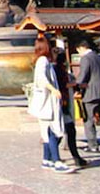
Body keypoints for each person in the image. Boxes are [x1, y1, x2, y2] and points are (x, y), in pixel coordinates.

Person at [31, 33, 75, 174]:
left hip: (45, 102)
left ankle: (47, 159)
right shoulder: (43, 60)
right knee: (52, 131)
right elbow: (42, 79)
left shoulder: (41, 60)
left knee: (47, 131)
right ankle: (56, 161)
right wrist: (54, 89)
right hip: (47, 102)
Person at [75, 39, 100, 153]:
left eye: (78, 51)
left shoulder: (85, 58)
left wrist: (77, 87)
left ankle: (92, 145)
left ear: (82, 48)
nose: (79, 53)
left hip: (91, 92)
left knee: (89, 120)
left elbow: (83, 76)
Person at [54, 49, 88, 168]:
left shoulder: (56, 69)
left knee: (65, 131)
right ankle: (55, 156)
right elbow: (62, 85)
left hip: (63, 103)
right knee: (64, 131)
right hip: (63, 103)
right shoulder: (59, 70)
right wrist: (75, 84)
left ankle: (70, 156)